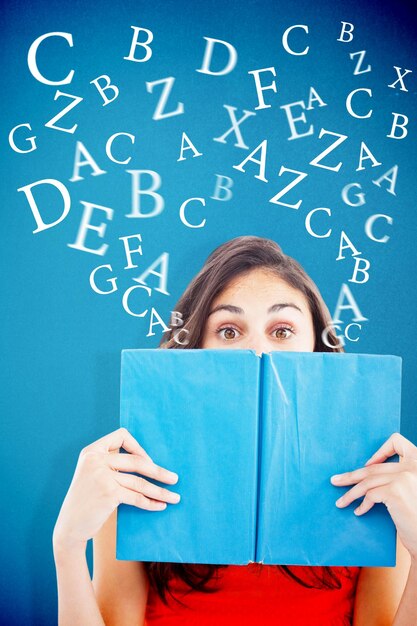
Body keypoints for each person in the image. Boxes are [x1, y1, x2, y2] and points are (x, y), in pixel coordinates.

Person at [53, 236, 417, 625]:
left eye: (281, 330)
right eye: (229, 331)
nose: (257, 350)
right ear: (197, 346)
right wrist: (68, 547)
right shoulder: (135, 478)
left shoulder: (376, 483)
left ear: (316, 347)